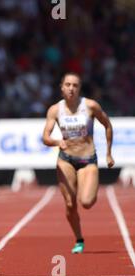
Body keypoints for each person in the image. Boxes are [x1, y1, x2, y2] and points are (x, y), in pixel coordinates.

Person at [42, 72, 114, 254]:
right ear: (62, 87)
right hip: (65, 159)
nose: (71, 88)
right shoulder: (55, 110)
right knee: (69, 204)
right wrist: (58, 142)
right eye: (68, 85)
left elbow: (107, 125)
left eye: (75, 85)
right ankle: (79, 239)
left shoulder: (90, 106)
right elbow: (45, 137)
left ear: (79, 88)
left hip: (87, 158)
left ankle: (90, 190)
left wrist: (108, 153)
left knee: (87, 202)